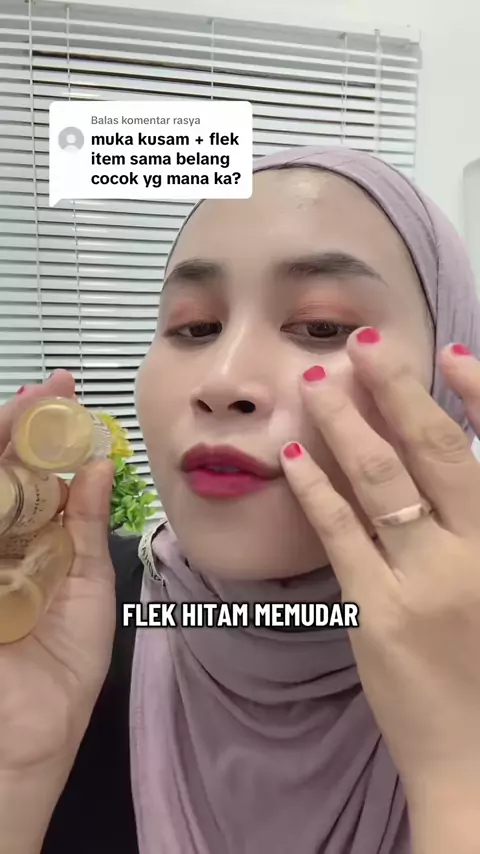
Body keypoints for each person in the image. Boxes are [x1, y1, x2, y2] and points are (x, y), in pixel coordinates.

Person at [2, 146, 480, 854]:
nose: (223, 380)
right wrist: (14, 783)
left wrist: (459, 776)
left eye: (321, 326)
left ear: (448, 382)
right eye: (195, 328)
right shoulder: (56, 620)